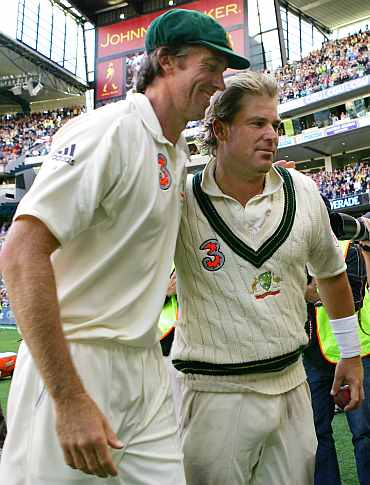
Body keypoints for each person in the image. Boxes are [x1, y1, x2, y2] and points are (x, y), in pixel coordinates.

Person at [0, 9, 249, 485]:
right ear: (166, 61)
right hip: (77, 363)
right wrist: (69, 398)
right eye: (210, 66)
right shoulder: (108, 131)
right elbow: (20, 252)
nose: (219, 83)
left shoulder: (174, 152)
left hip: (143, 363)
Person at [171, 71, 364, 485]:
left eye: (274, 125)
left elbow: (331, 276)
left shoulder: (304, 191)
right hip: (212, 393)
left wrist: (349, 354)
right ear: (219, 129)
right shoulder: (182, 202)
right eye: (257, 123)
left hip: (290, 384)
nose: (272, 135)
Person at [303, 231, 370, 484]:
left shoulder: (347, 249)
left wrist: (313, 292)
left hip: (356, 352)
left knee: (364, 432)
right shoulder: (292, 254)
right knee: (316, 434)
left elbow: (353, 298)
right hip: (313, 355)